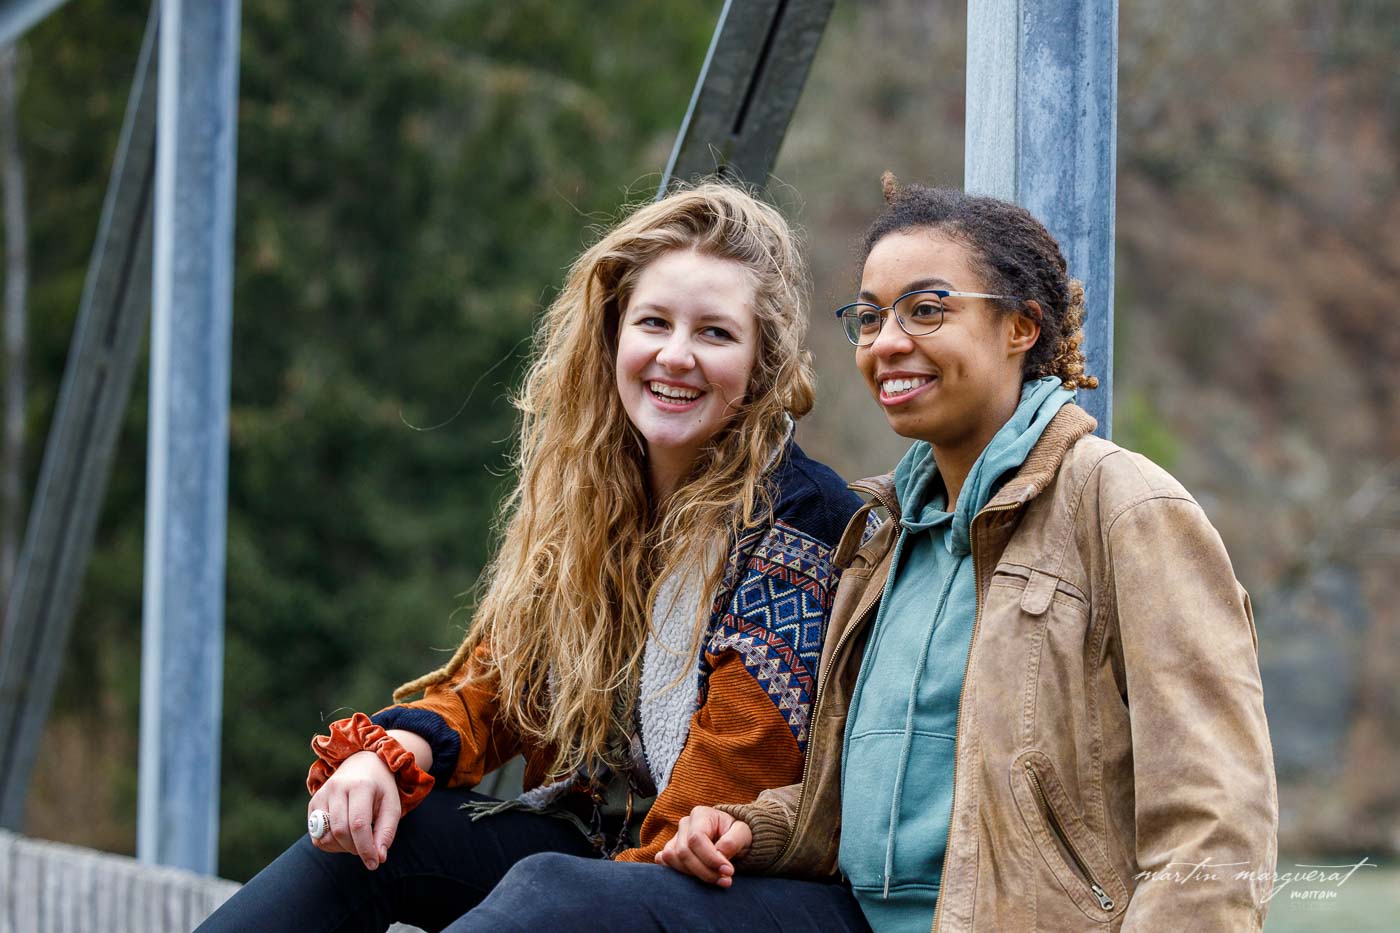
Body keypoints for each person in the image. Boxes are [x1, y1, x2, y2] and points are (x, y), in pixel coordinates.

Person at [475, 178, 1278, 931]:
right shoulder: (880, 534)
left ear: (1021, 327)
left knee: (559, 896)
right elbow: (850, 801)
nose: (888, 342)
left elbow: (1217, 819)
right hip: (854, 916)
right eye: (869, 317)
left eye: (926, 311)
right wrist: (747, 826)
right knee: (549, 883)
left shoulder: (1124, 507)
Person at [198, 183, 867, 932]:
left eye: (715, 333)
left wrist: (585, 896)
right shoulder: (599, 495)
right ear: (613, 335)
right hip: (600, 855)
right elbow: (498, 684)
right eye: (653, 322)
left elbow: (730, 779)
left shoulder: (799, 519)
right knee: (377, 840)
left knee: (550, 889)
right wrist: (387, 754)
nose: (675, 355)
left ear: (762, 361)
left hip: (735, 884)